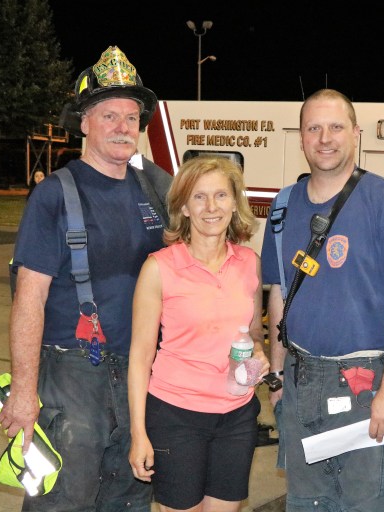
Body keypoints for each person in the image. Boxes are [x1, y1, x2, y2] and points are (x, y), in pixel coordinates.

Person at [0, 46, 171, 511]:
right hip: (72, 374)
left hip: (139, 371)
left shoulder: (154, 190)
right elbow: (28, 299)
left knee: (130, 498)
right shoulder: (53, 196)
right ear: (85, 123)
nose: (122, 127)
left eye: (131, 117)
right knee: (64, 501)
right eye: (109, 115)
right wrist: (24, 392)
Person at [261, 89, 384, 511]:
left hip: (368, 381)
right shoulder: (282, 208)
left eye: (336, 127)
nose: (325, 138)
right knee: (308, 502)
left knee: (368, 502)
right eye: (314, 128)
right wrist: (278, 374)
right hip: (301, 380)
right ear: (300, 137)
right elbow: (278, 294)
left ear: (356, 134)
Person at [127, 156, 269, 512]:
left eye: (221, 196)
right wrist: (138, 433)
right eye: (199, 197)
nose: (211, 207)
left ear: (235, 204)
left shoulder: (249, 262)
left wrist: (258, 351)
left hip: (236, 417)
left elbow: (253, 331)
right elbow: (141, 357)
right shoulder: (159, 268)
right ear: (184, 208)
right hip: (176, 416)